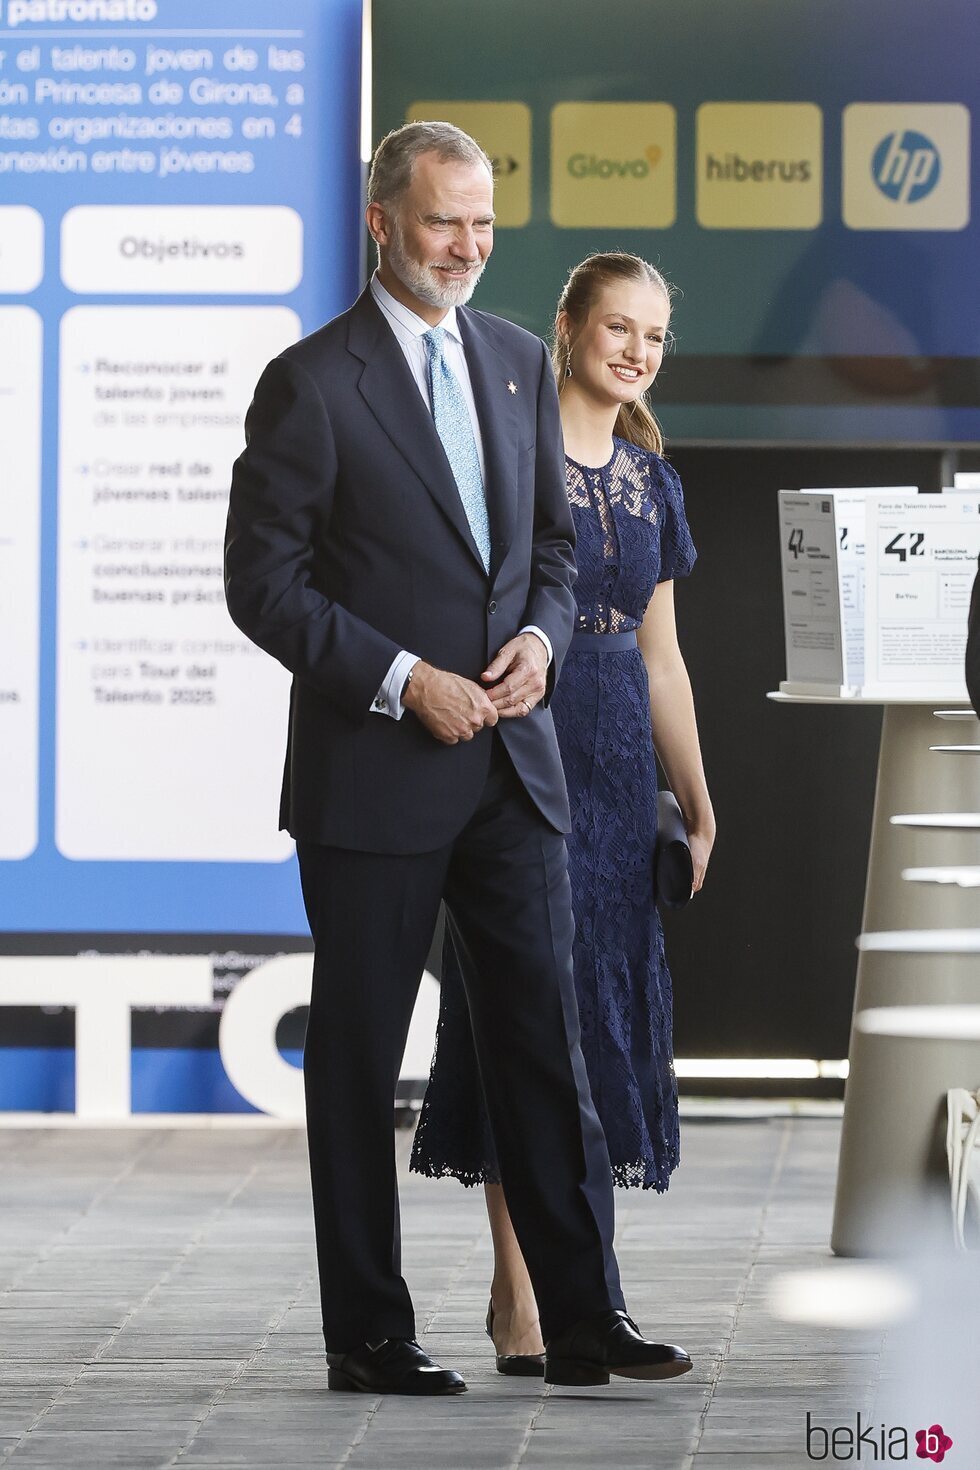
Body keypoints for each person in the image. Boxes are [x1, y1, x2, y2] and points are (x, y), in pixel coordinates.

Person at [224, 125, 692, 1395]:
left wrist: (541, 639)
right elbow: (260, 588)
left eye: (482, 225)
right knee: (360, 1059)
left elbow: (547, 547)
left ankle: (582, 1319)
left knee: (546, 1048)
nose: (468, 249)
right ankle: (369, 1336)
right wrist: (401, 683)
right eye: (443, 223)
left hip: (514, 771)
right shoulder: (310, 384)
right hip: (374, 779)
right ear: (383, 222)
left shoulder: (510, 363)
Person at [412, 251, 716, 1373]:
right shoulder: (505, 451)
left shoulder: (652, 483)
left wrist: (693, 798)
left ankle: (585, 1294)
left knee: (600, 1022)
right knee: (523, 1021)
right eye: (617, 327)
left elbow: (664, 663)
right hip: (517, 754)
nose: (635, 350)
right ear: (570, 328)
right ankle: (521, 1294)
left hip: (617, 759)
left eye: (653, 335)